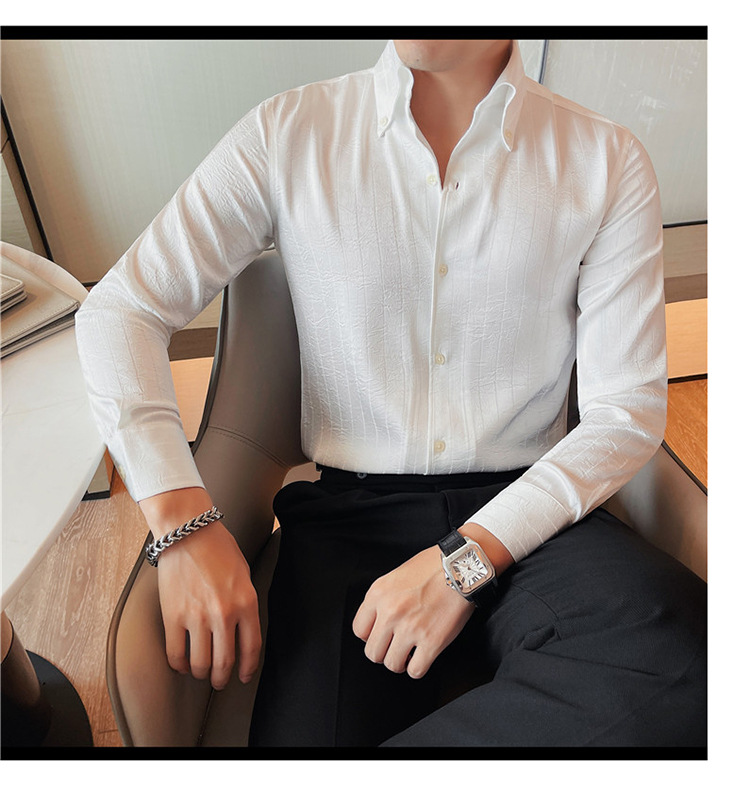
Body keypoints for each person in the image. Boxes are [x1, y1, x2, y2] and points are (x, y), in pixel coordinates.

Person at [76, 39, 707, 747]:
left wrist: (465, 562)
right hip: (350, 527)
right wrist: (182, 520)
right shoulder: (288, 131)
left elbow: (623, 413)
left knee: (687, 671)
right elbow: (120, 309)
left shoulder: (607, 159)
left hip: (533, 516)